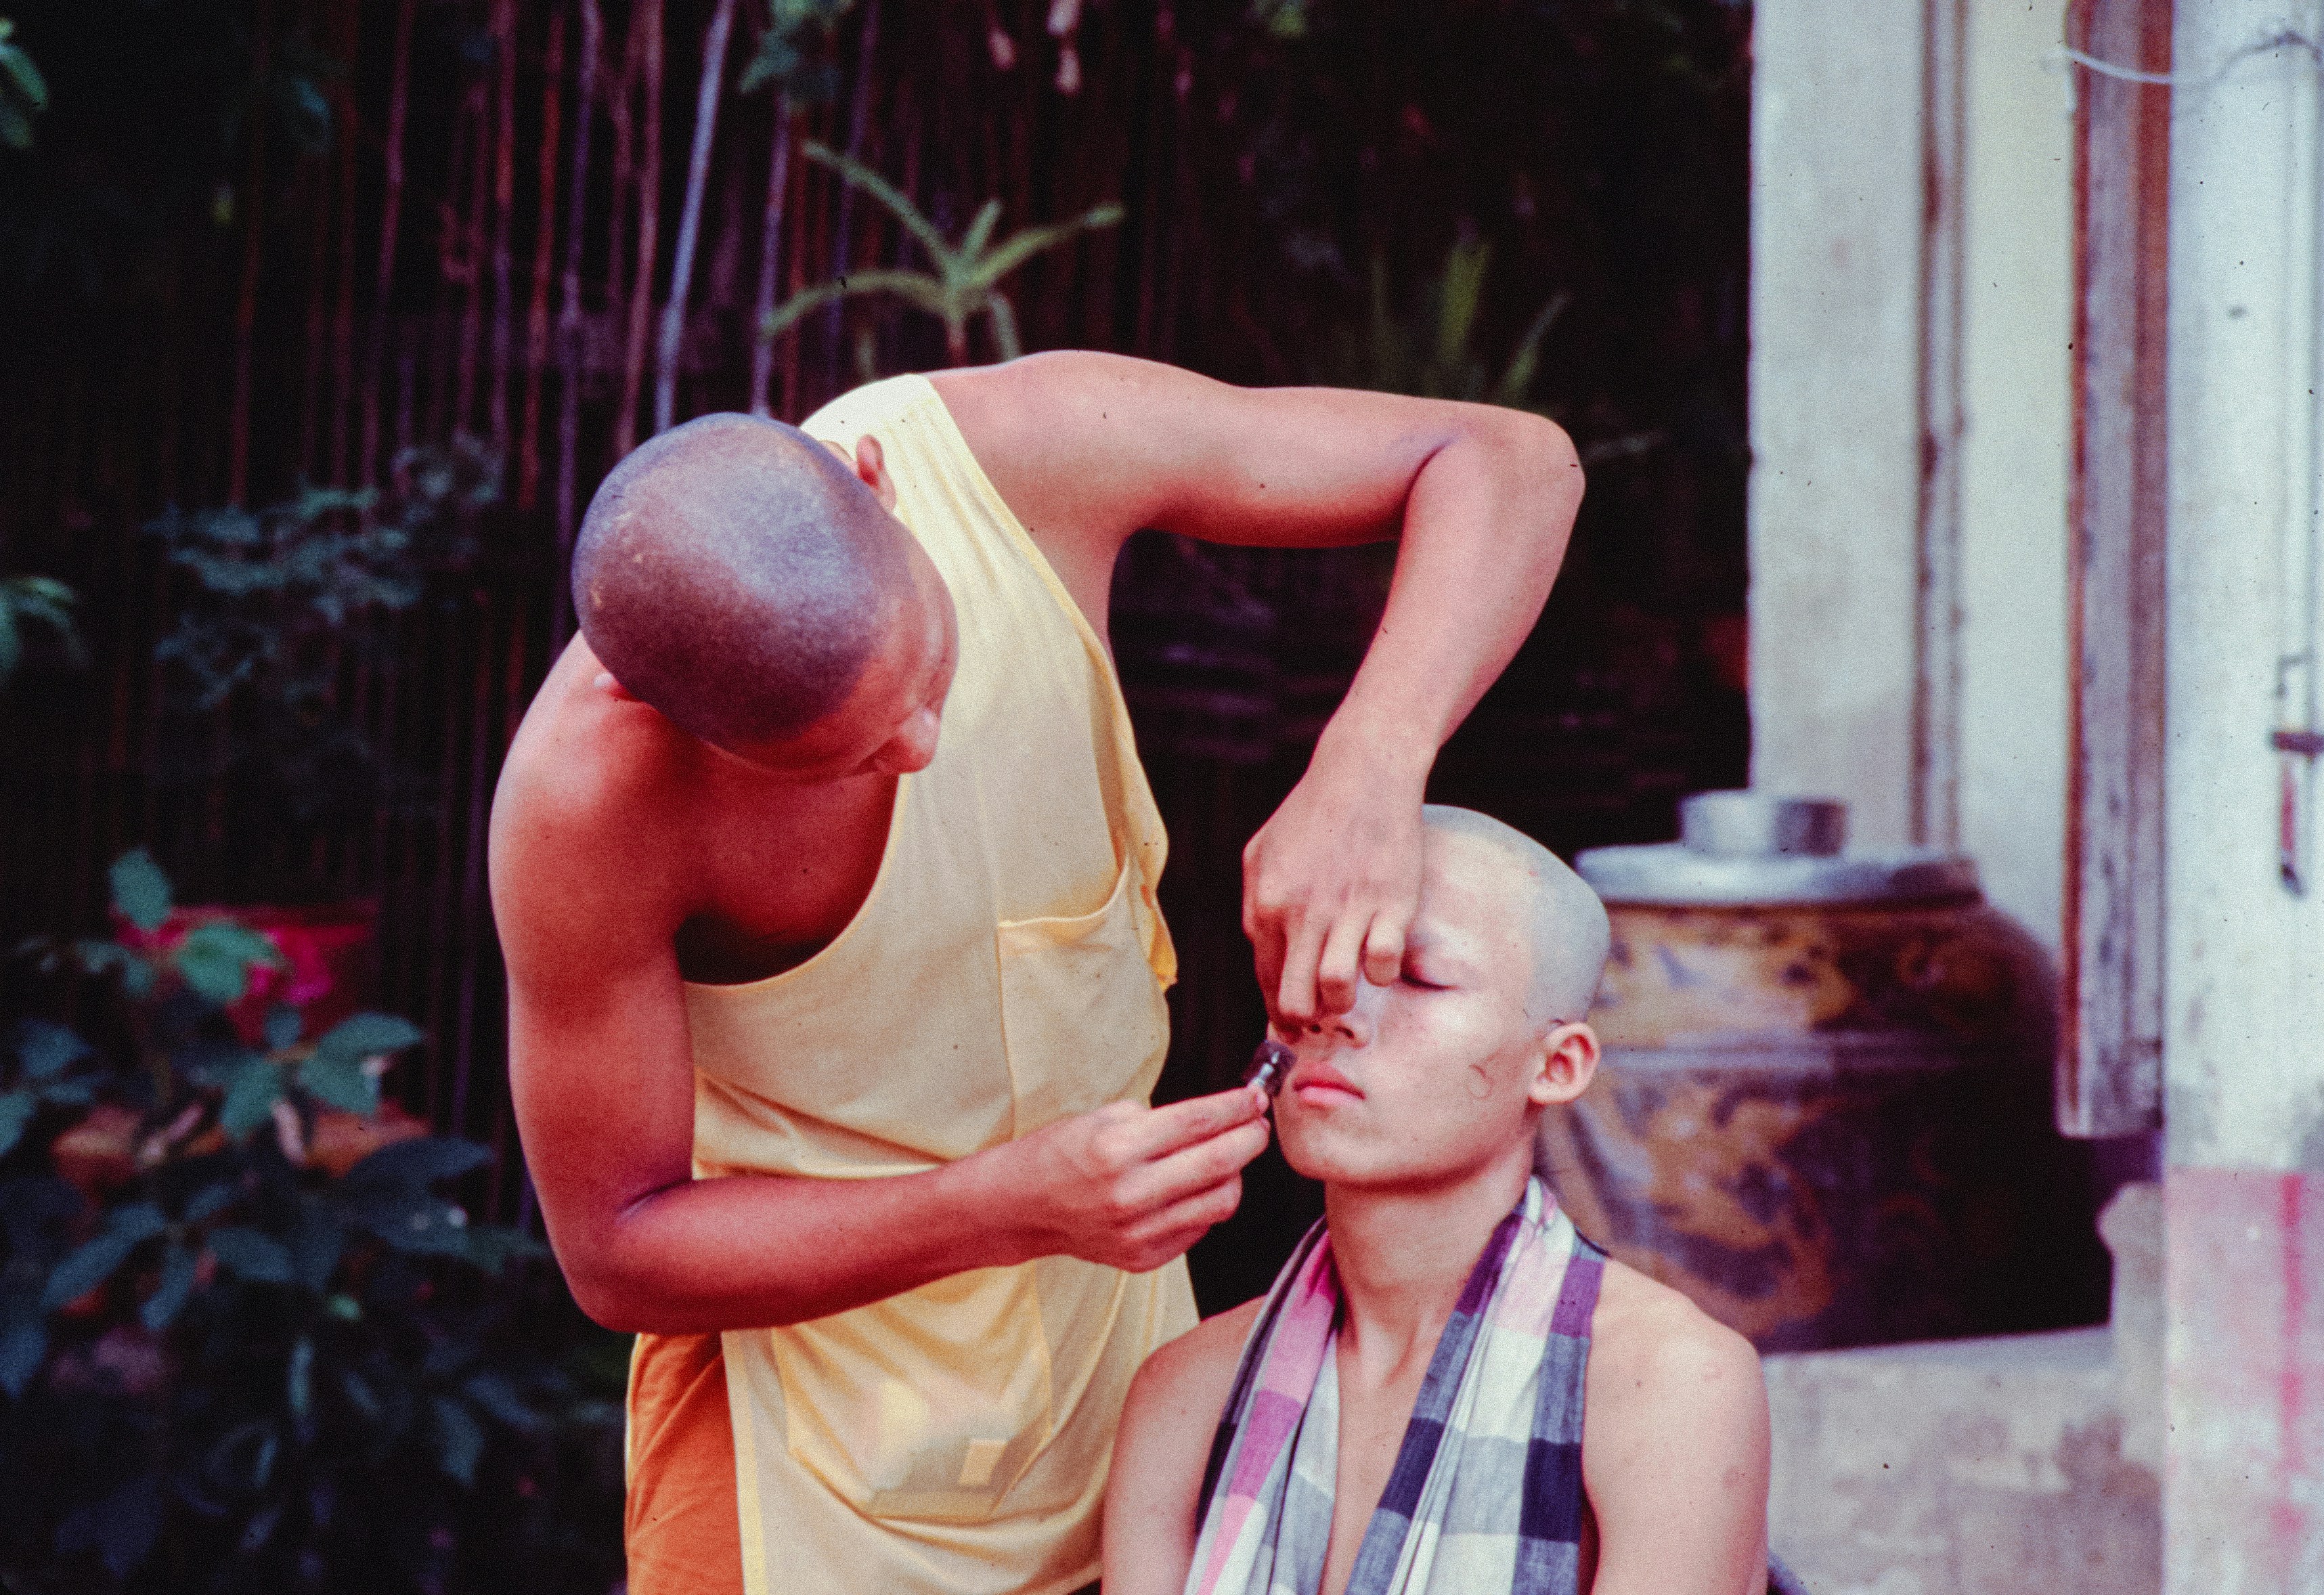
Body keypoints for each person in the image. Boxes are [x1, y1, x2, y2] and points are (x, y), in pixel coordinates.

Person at [488, 353, 1584, 1595]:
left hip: (1118, 1382)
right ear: (650, 708)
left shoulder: (1019, 452)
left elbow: (1509, 458)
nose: (920, 747)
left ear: (876, 483)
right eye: (841, 757)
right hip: (799, 1446)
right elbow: (616, 1255)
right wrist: (1002, 1210)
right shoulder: (589, 805)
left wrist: (1369, 768)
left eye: (928, 676)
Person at [1103, 806, 1770, 1595]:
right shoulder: (1183, 1391)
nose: (1332, 1009)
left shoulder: (1668, 1382)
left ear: (1556, 1065)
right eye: (1317, 962)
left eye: (1414, 975)